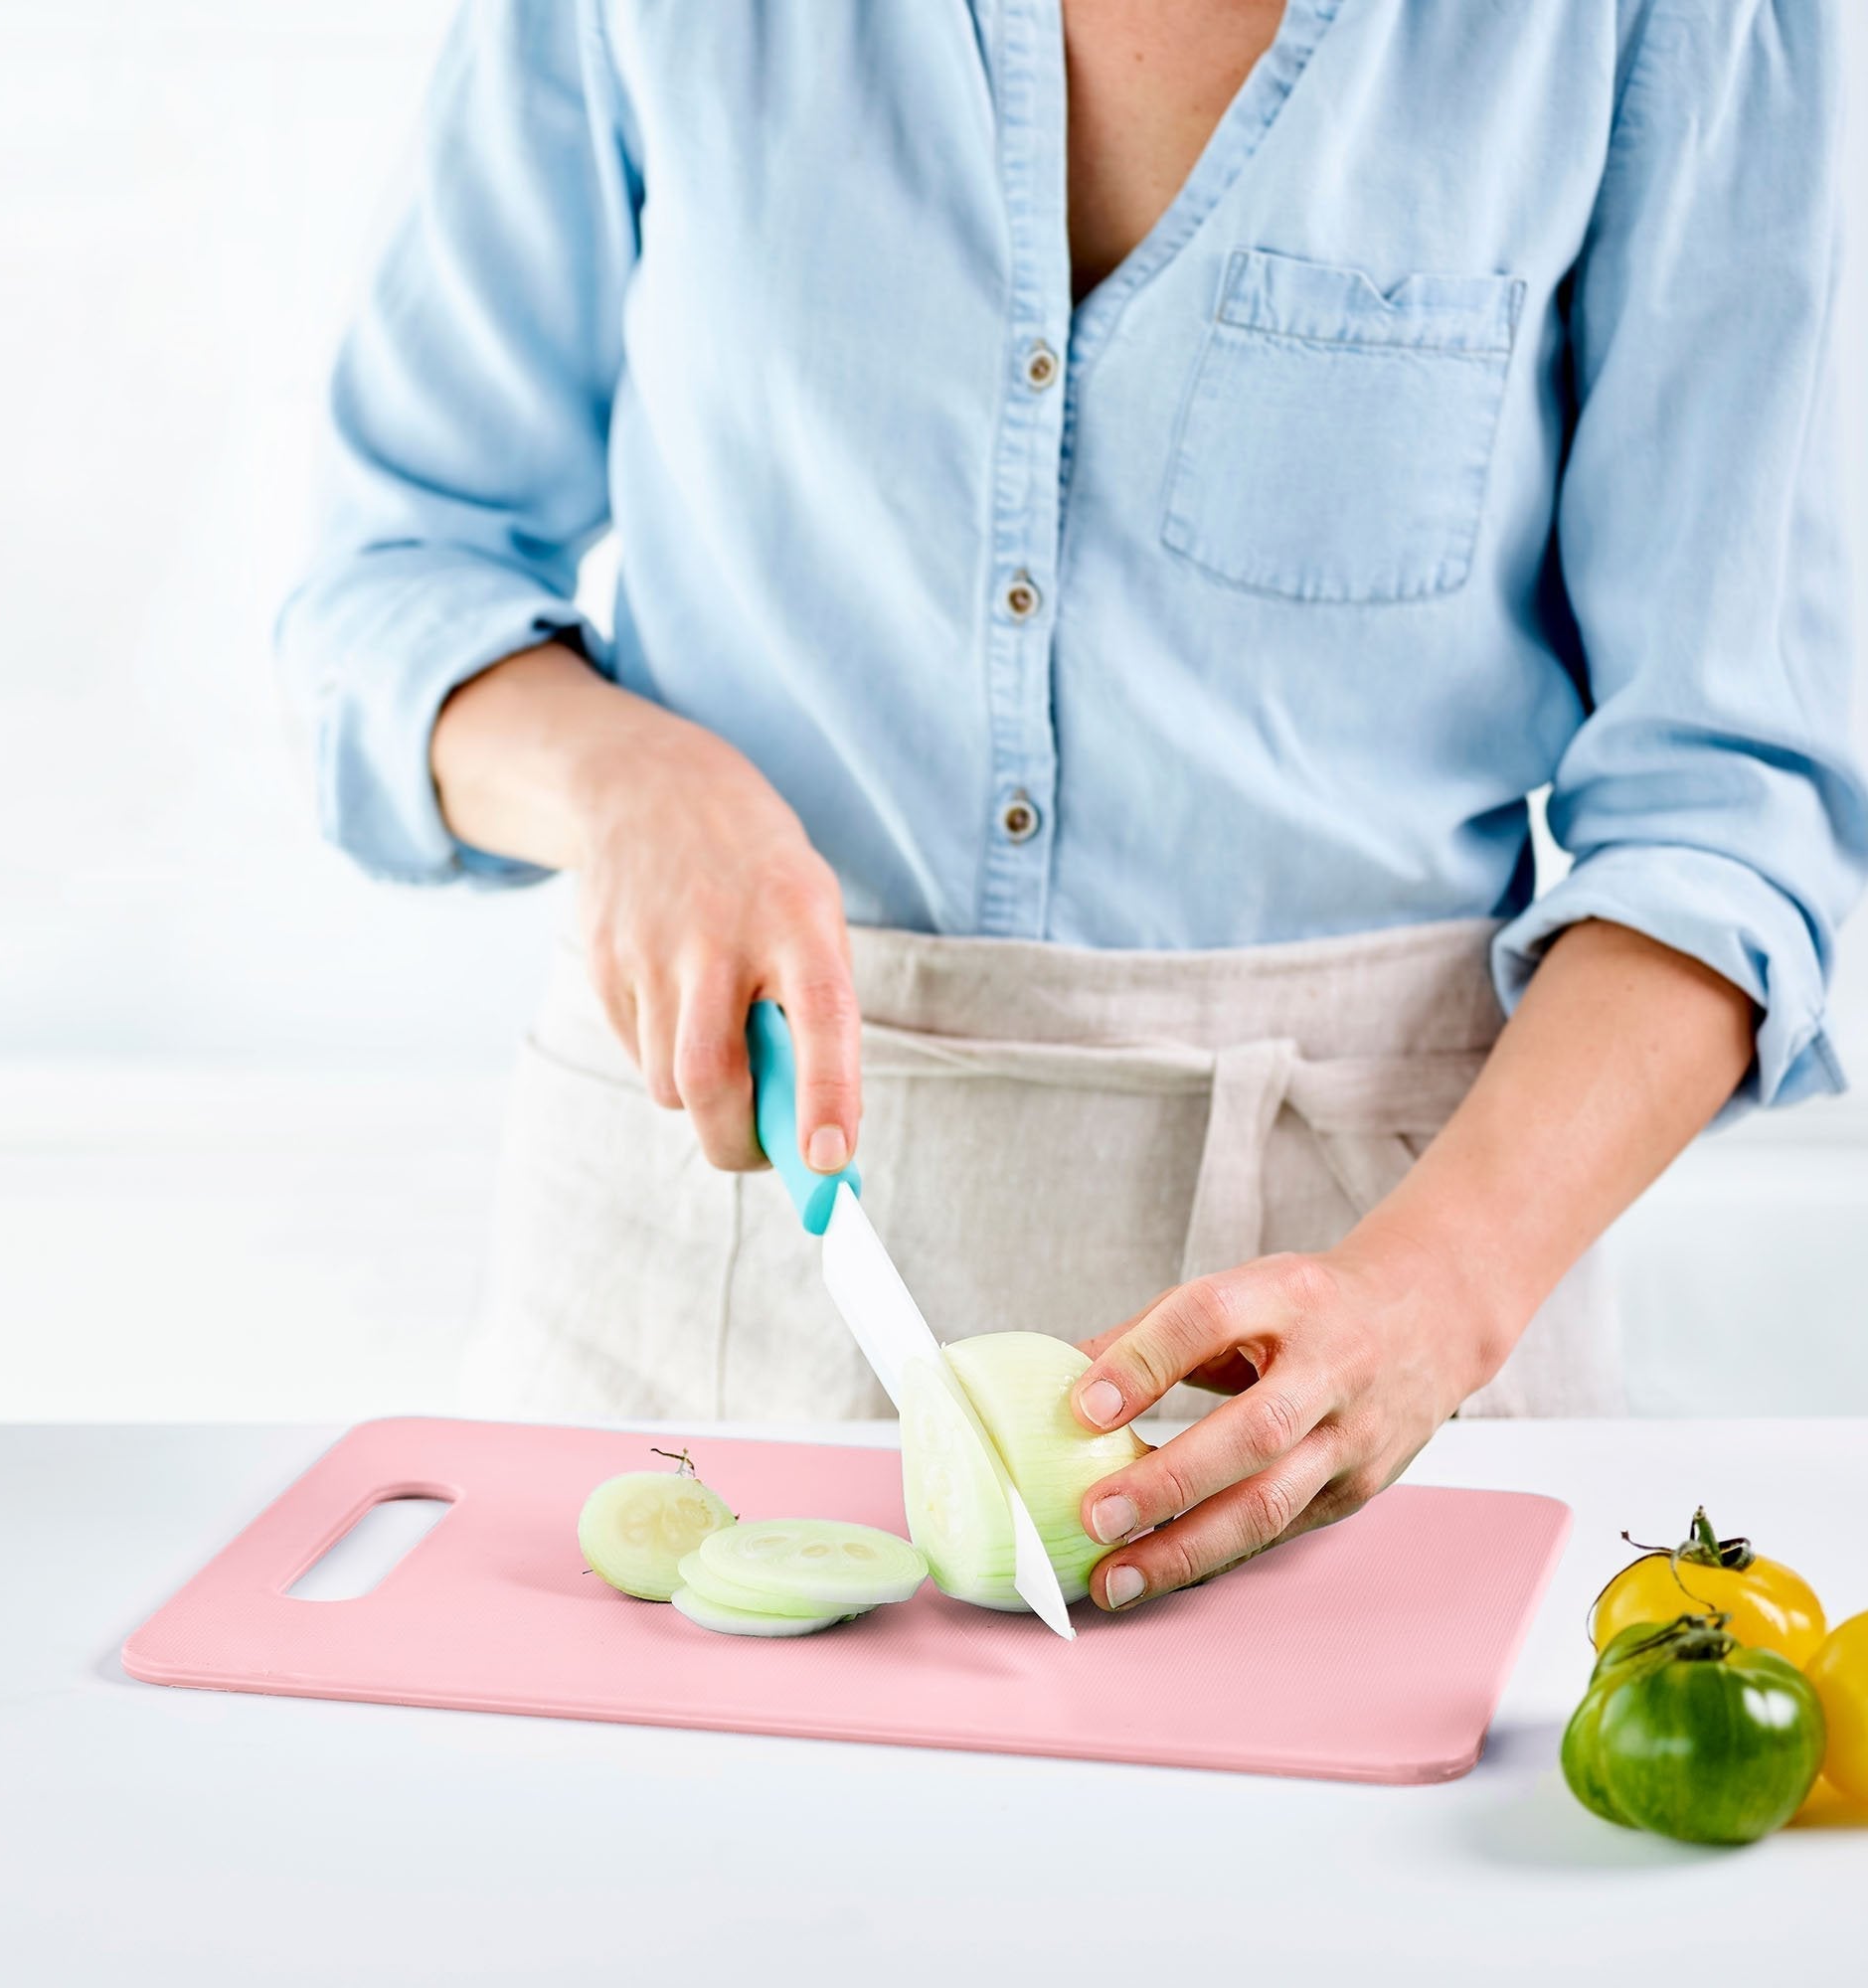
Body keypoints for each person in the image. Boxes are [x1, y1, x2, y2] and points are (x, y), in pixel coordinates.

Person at [279, 0, 1864, 1612]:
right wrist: (624, 782)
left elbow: (1734, 808)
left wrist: (1435, 1290)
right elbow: (387, 585)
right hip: (687, 1284)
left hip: (1360, 1332)